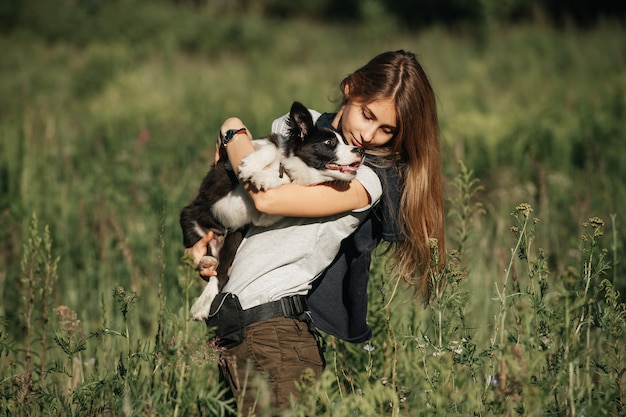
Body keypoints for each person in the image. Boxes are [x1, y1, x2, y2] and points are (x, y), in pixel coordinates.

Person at [185, 50, 446, 415]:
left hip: (276, 334)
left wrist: (232, 130)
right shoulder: (294, 127)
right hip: (233, 328)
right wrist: (209, 251)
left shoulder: (364, 177)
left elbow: (265, 198)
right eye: (368, 115)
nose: (368, 136)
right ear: (350, 88)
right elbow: (238, 200)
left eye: (387, 130)